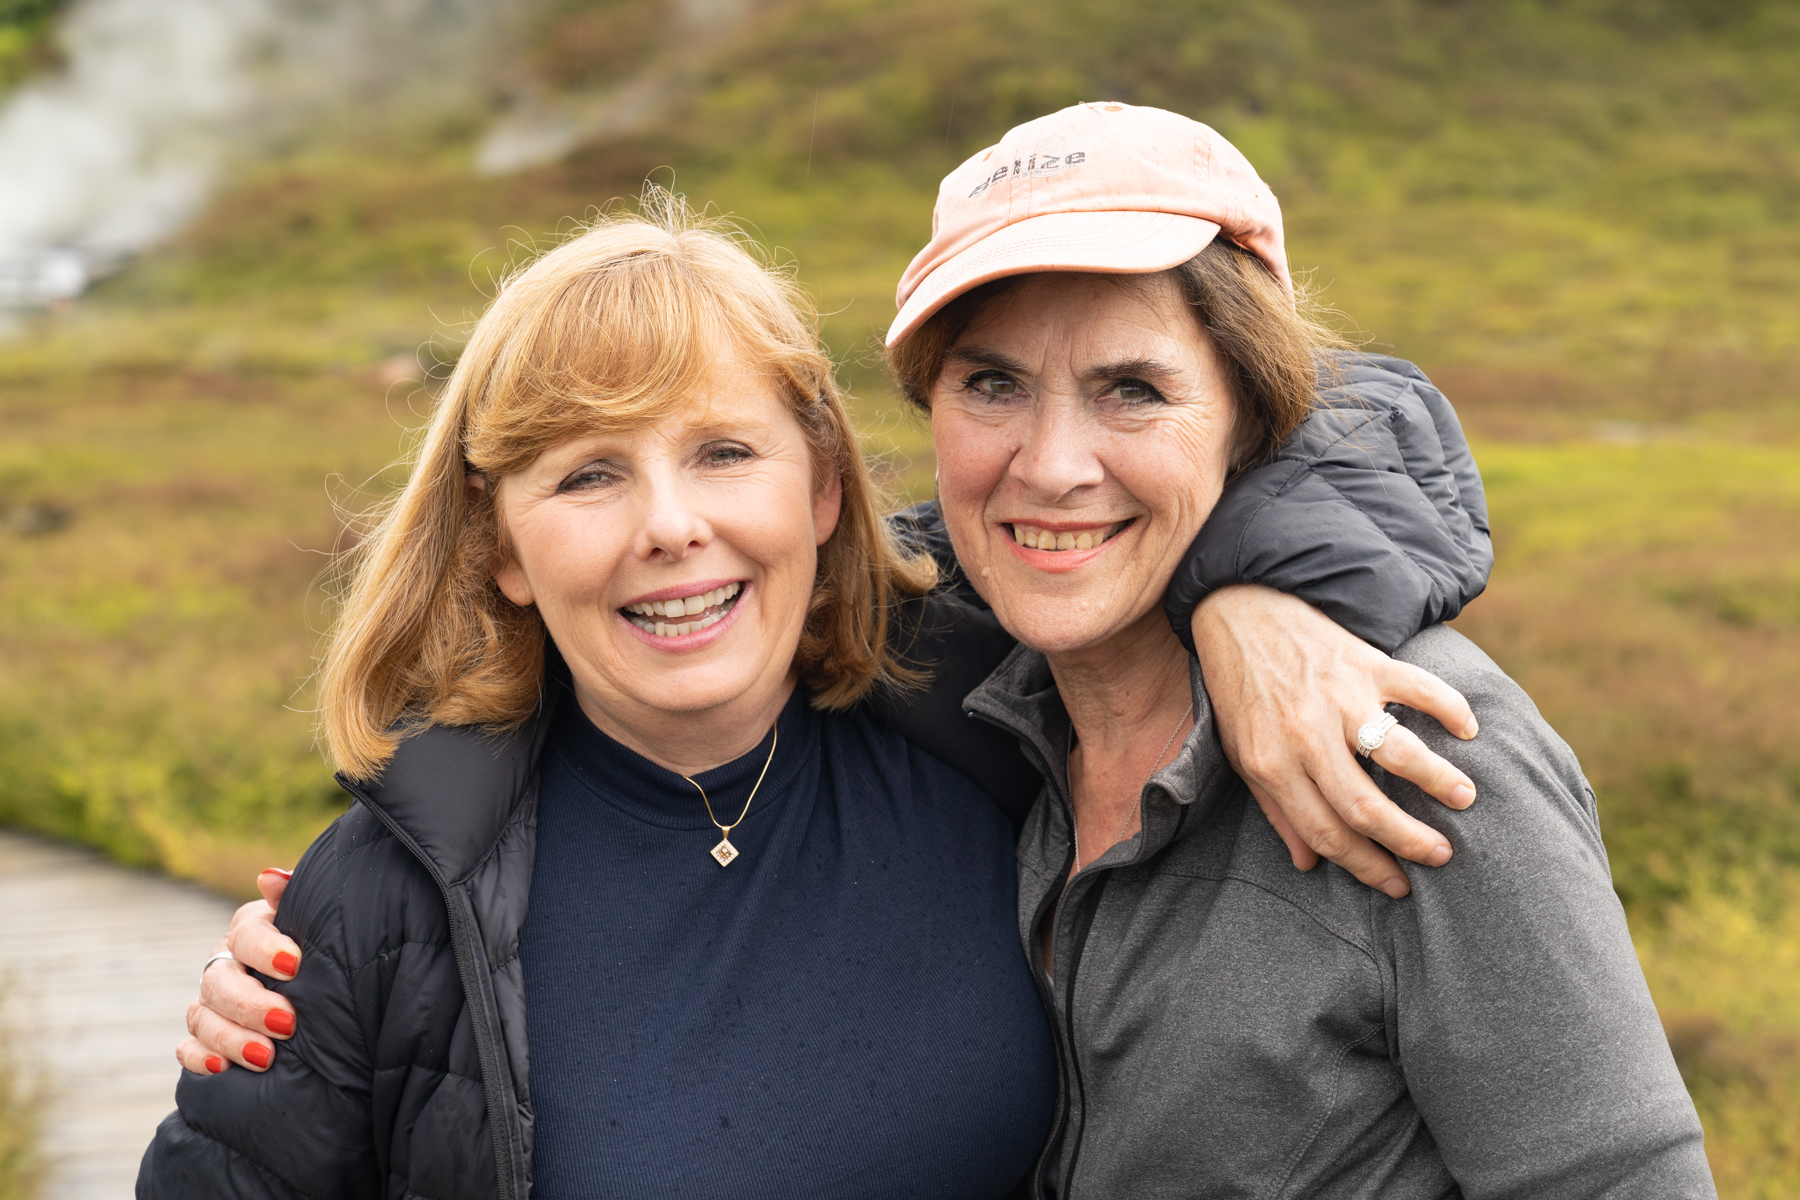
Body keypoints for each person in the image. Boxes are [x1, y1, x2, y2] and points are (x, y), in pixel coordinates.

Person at [142, 184, 1488, 1196]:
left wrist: (1251, 596)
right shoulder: (381, 904)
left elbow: (1317, 412)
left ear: (827, 486)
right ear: (502, 546)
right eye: (588, 473)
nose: (669, 527)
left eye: (724, 451)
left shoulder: (995, 719)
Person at [880, 102, 1714, 1196]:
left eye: (1133, 390)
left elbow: (1615, 1176)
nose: (1051, 465)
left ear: (1251, 414)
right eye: (992, 384)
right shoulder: (982, 722)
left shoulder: (1420, 745)